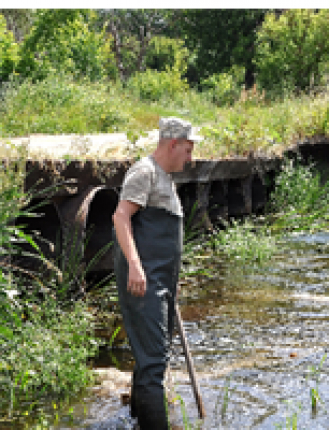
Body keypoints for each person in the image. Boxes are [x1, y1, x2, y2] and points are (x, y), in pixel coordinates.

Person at [112, 117, 199, 429]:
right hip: (144, 281)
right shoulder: (144, 172)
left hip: (160, 283)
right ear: (172, 143)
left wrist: (171, 285)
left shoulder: (165, 178)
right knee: (154, 361)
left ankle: (136, 417)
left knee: (152, 354)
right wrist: (136, 267)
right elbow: (121, 217)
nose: (190, 158)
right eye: (187, 150)